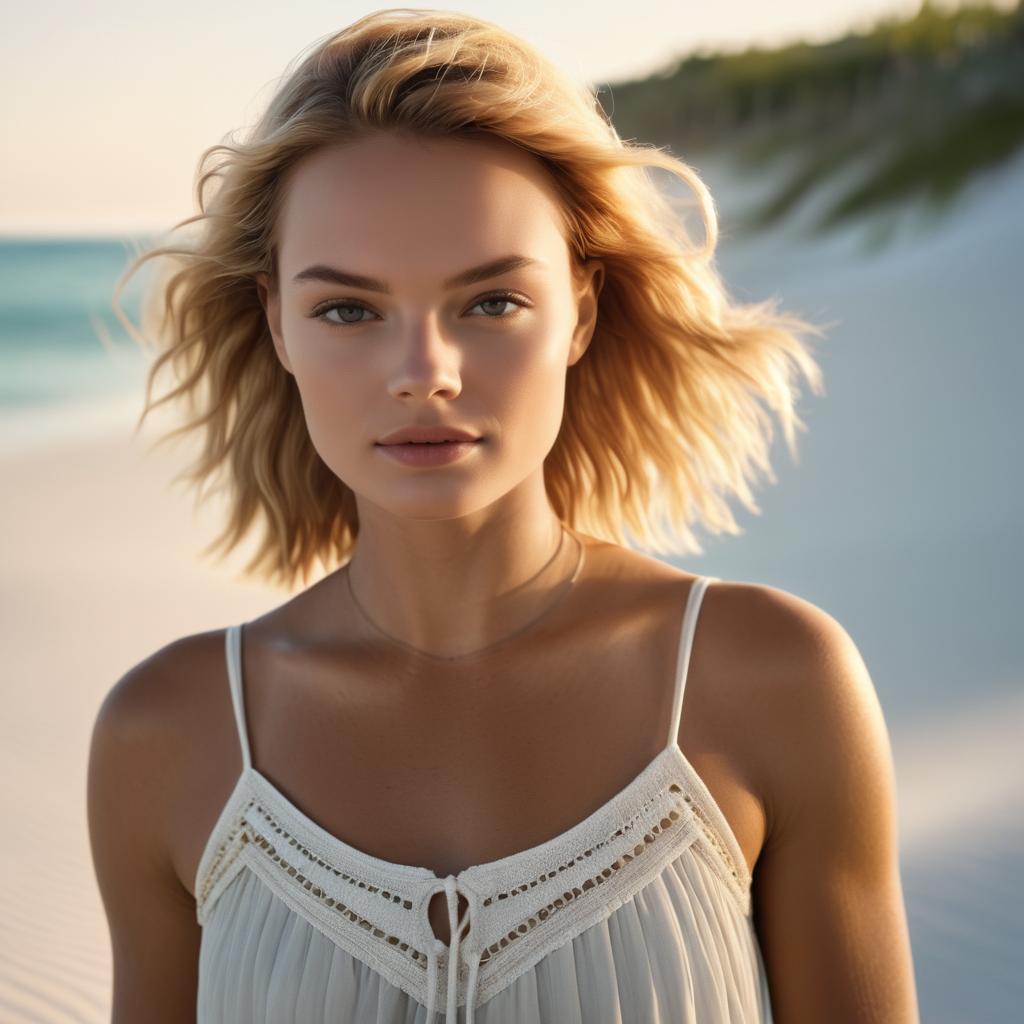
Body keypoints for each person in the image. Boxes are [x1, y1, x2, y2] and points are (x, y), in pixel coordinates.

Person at [87, 8, 919, 1023]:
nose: (422, 375)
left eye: (489, 303)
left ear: (581, 307)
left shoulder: (772, 680)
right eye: (347, 309)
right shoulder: (170, 734)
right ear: (277, 325)